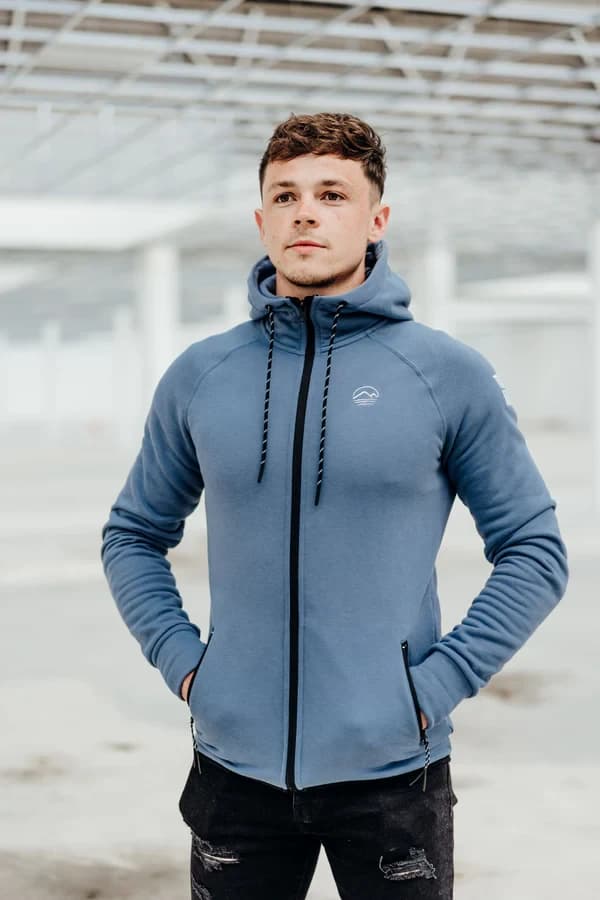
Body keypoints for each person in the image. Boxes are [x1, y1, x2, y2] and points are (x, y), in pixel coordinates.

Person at [101, 112, 569, 900]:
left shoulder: (446, 375)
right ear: (261, 220)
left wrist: (435, 686)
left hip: (394, 776)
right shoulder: (202, 375)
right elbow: (133, 534)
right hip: (233, 772)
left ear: (376, 219)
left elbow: (535, 550)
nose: (305, 213)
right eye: (285, 196)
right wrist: (186, 666)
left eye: (332, 194)